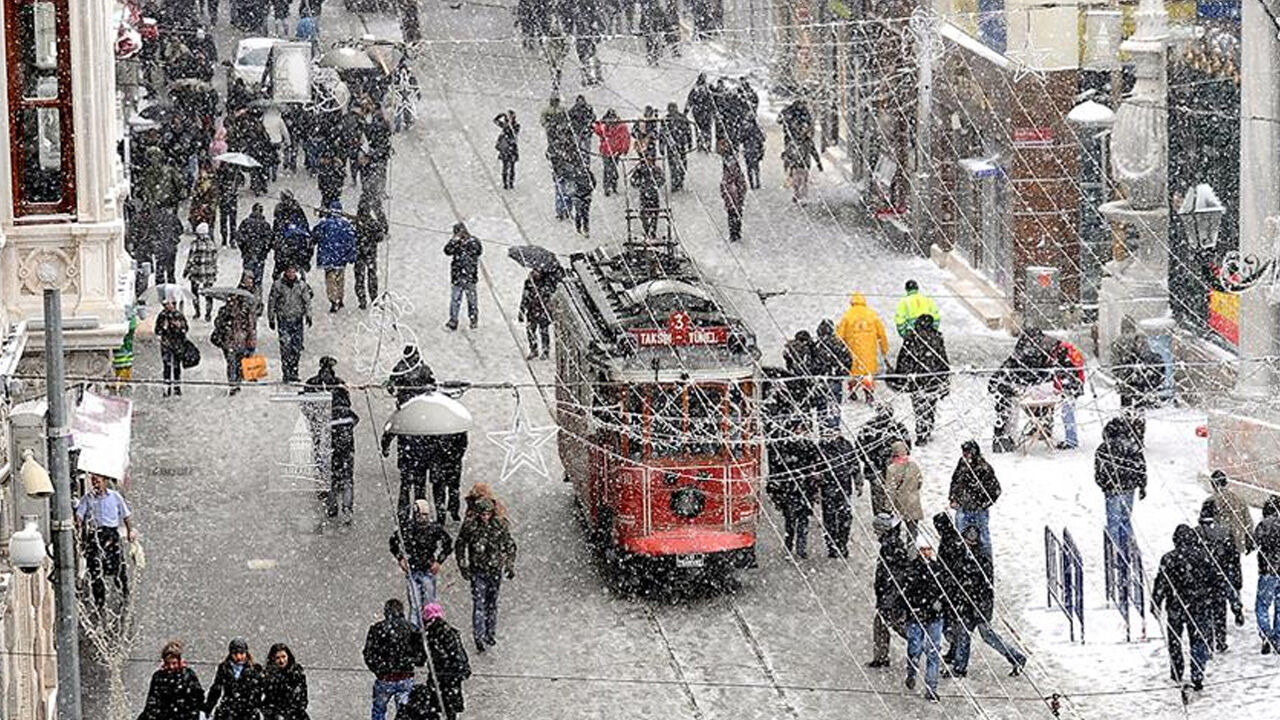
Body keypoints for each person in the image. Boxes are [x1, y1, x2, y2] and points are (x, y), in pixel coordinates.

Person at [946, 523, 1026, 677]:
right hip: (967, 603)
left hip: (979, 604)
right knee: (963, 634)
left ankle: (1016, 657)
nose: (968, 543)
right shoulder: (961, 554)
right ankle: (960, 667)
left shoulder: (981, 557)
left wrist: (980, 602)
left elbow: (985, 584)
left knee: (987, 635)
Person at [1152, 525, 1214, 690]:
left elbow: (1161, 582)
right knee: (1198, 640)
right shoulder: (1204, 556)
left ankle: (1177, 671)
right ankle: (1197, 673)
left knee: (1175, 640)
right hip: (1199, 604)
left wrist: (1156, 602)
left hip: (1176, 605)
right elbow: (1213, 580)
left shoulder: (1169, 558)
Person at [455, 496, 517, 652]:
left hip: (494, 570)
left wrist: (509, 565)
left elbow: (510, 545)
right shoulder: (470, 526)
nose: (485, 517)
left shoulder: (499, 525)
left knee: (491, 604)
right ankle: (479, 636)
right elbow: (460, 545)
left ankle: (490, 633)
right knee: (479, 604)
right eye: (482, 514)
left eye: (488, 514)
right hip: (478, 571)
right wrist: (463, 566)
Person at [75, 473, 137, 607]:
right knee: (95, 568)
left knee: (118, 565)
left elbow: (126, 515)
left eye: (98, 481)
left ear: (104, 481)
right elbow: (79, 516)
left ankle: (124, 593)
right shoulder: (88, 498)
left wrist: (130, 531)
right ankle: (99, 601)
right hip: (95, 535)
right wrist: (78, 525)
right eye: (93, 482)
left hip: (111, 534)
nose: (95, 484)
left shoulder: (115, 496)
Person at [1095, 415, 1146, 577]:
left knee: (1113, 523)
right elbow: (1141, 467)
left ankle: (1116, 553)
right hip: (1129, 489)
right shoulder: (1132, 447)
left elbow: (1099, 472)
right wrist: (1142, 486)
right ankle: (1129, 549)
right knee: (1125, 520)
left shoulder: (1104, 449)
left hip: (1112, 491)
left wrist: (1105, 485)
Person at [391, 499, 454, 627]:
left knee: (429, 605)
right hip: (412, 570)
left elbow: (448, 544)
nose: (423, 518)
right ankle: (415, 631)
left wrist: (439, 561)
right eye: (421, 515)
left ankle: (429, 629)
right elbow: (393, 543)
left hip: (428, 570)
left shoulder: (434, 528)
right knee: (415, 606)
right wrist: (400, 558)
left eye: (426, 515)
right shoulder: (407, 528)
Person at [363, 599, 428, 720]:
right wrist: (411, 662)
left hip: (385, 678)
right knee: (404, 712)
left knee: (378, 710)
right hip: (405, 677)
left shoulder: (377, 629)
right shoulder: (412, 629)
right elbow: (421, 656)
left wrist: (379, 669)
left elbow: (368, 654)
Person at [902, 535, 947, 702]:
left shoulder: (938, 570)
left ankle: (931, 688)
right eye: (923, 550)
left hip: (933, 616)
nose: (926, 553)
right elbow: (906, 593)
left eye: (928, 549)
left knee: (933, 652)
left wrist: (940, 603)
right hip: (917, 615)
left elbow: (946, 591)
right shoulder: (911, 569)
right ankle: (912, 671)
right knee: (915, 648)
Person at [893, 315, 949, 444]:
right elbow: (942, 358)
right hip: (932, 379)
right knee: (930, 405)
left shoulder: (912, 338)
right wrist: (944, 376)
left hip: (916, 379)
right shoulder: (936, 337)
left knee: (918, 406)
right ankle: (927, 427)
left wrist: (900, 376)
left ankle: (921, 432)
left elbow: (903, 358)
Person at [1196, 499, 1243, 653]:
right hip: (1221, 574)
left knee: (1206, 610)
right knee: (1219, 609)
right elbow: (1234, 557)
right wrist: (1237, 577)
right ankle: (1221, 639)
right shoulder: (1225, 531)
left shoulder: (1196, 532)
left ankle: (1209, 640)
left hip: (1204, 578)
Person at [767, 422, 820, 558]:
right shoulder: (783, 446)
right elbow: (776, 469)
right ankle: (789, 546)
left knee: (803, 521)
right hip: (790, 491)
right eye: (797, 430)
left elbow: (816, 464)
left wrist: (814, 484)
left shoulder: (809, 446)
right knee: (790, 522)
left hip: (805, 489)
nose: (800, 433)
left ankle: (801, 548)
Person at [854, 404, 911, 515]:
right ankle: (882, 518)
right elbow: (860, 449)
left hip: (892, 470)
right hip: (876, 469)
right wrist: (874, 459)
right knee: (879, 496)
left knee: (890, 496)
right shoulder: (869, 429)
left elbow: (906, 449)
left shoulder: (898, 428)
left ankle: (890, 517)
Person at [869, 513, 909, 668]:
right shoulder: (890, 544)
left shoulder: (891, 547)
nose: (875, 533)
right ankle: (881, 657)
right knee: (882, 624)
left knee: (897, 626)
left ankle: (927, 646)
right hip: (889, 595)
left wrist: (888, 598)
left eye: (876, 530)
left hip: (891, 596)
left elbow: (896, 575)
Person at [948, 440, 1000, 559]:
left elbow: (995, 490)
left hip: (979, 510)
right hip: (963, 508)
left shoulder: (984, 468)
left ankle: (986, 561)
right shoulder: (962, 464)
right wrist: (953, 498)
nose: (965, 456)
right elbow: (955, 481)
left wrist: (983, 503)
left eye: (967, 453)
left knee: (983, 537)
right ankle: (962, 561)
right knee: (961, 537)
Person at [836, 293, 890, 405]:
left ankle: (852, 390)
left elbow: (839, 336)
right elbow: (882, 334)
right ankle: (868, 392)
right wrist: (884, 350)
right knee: (867, 372)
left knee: (854, 372)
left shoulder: (847, 316)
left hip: (853, 350)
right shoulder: (872, 315)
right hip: (869, 351)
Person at [421, 603, 472, 720]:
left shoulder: (431, 634)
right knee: (450, 709)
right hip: (452, 677)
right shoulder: (450, 631)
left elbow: (427, 657)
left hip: (442, 676)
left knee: (438, 707)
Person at [211, 275, 259, 395]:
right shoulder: (224, 311)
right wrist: (226, 318)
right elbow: (217, 323)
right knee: (231, 363)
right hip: (229, 341)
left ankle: (238, 381)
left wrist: (251, 337)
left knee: (239, 362)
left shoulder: (245, 311)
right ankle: (233, 384)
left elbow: (250, 325)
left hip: (242, 341)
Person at [268, 265, 314, 383]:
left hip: (297, 319)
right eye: (289, 271)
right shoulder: (278, 285)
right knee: (285, 347)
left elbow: (307, 301)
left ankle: (294, 371)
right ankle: (286, 372)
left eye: (293, 272)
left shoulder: (301, 285)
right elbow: (272, 302)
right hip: (283, 319)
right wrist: (271, 317)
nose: (291, 274)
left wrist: (308, 315)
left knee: (296, 347)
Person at [139, 640, 205, 720]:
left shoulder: (188, 675)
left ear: (179, 661)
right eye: (168, 663)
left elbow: (197, 699)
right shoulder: (158, 677)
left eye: (174, 663)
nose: (171, 667)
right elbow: (152, 702)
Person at [382, 419, 432, 524]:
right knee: (420, 488)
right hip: (421, 460)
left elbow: (389, 433)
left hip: (406, 459)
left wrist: (385, 447)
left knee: (405, 487)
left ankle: (403, 516)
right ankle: (420, 514)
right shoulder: (425, 420)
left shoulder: (404, 418)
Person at [816, 425, 855, 558]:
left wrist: (858, 481)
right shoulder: (821, 448)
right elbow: (816, 468)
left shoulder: (846, 445)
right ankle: (832, 545)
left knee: (845, 517)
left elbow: (854, 463)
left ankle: (842, 544)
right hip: (828, 488)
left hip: (844, 487)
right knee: (829, 519)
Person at [1110, 315, 1164, 410]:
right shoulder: (1139, 339)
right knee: (1137, 404)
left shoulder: (1118, 342)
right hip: (1137, 379)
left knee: (1128, 404)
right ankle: (1136, 416)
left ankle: (1129, 416)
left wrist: (1120, 375)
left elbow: (1114, 363)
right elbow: (1147, 356)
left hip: (1129, 379)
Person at [205, 638, 265, 720]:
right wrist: (208, 708)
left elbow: (260, 690)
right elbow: (216, 689)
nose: (239, 657)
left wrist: (257, 706)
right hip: (228, 710)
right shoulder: (224, 667)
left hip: (248, 711)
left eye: (241, 653)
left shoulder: (255, 668)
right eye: (235, 654)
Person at [313, 201, 356, 313]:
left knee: (330, 280)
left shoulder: (324, 224)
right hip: (341, 258)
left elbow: (315, 236)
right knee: (340, 279)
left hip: (327, 257)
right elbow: (351, 241)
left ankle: (333, 300)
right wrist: (351, 256)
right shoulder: (346, 225)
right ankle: (340, 298)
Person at [812, 318, 852, 429]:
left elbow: (811, 363)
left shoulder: (817, 346)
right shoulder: (838, 344)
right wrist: (842, 373)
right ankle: (834, 428)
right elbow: (848, 359)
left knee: (822, 407)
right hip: (835, 380)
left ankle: (823, 429)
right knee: (834, 406)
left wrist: (815, 373)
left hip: (821, 380)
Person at [444, 222, 482, 330]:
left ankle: (473, 319)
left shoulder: (473, 242)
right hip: (457, 276)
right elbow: (447, 251)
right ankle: (453, 320)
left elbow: (478, 251)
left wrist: (465, 245)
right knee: (455, 300)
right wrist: (454, 242)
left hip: (470, 276)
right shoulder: (455, 243)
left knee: (472, 300)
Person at [1209, 470, 1256, 555]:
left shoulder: (1210, 501)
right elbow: (1248, 521)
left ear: (1212, 484)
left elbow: (1206, 525)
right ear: (1226, 482)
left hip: (1219, 545)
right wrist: (1249, 538)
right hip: (1237, 543)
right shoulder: (1238, 499)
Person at [1255, 496, 1280, 654]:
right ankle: (1278, 637)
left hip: (1267, 571)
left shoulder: (1263, 525)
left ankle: (1265, 634)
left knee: (1262, 605)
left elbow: (1254, 542)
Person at [1050, 336, 1085, 449]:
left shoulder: (1062, 352)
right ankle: (1071, 439)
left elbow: (1061, 371)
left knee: (1067, 413)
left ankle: (1071, 441)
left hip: (1070, 386)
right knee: (1067, 412)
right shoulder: (1067, 349)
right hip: (1073, 385)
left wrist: (1060, 385)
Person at [354, 192, 387, 310]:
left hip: (359, 253)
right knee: (372, 276)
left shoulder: (355, 222)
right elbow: (380, 236)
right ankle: (374, 297)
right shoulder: (373, 223)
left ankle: (362, 299)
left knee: (359, 277)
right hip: (370, 253)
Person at [885, 441, 923, 540]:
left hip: (899, 505)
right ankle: (912, 548)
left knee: (894, 533)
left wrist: (888, 507)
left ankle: (897, 547)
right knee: (912, 533)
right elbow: (920, 482)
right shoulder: (914, 466)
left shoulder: (892, 469)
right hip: (913, 504)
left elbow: (891, 490)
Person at [261, 643, 309, 720]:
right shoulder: (269, 676)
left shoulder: (296, 674)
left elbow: (302, 698)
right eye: (278, 658)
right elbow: (267, 699)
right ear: (273, 658)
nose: (281, 661)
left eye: (283, 657)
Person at [183, 222, 219, 321]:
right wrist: (214, 270)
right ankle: (208, 314)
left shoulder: (195, 244)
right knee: (209, 294)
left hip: (197, 272)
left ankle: (197, 312)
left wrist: (186, 270)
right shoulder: (212, 244)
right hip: (209, 273)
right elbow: (215, 258)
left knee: (194, 293)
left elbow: (191, 258)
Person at [156, 296, 190, 396]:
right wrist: (163, 327)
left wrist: (179, 326)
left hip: (177, 344)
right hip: (166, 344)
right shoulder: (162, 315)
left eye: (169, 304)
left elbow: (185, 329)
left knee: (176, 366)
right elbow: (157, 330)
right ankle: (167, 388)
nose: (168, 306)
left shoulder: (178, 315)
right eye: (166, 304)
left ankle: (177, 387)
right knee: (167, 366)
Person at [593, 109, 630, 195]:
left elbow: (625, 138)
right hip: (608, 151)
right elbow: (626, 138)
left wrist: (623, 149)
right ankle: (609, 186)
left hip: (613, 151)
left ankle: (611, 186)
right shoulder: (608, 126)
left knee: (611, 169)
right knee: (609, 169)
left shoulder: (620, 126)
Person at [781, 126, 822, 204]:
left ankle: (798, 195)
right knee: (802, 182)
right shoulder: (807, 142)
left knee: (799, 182)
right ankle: (801, 196)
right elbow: (814, 153)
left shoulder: (795, 142)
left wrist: (787, 165)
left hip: (798, 165)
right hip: (802, 165)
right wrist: (819, 164)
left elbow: (788, 154)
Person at [238, 202, 274, 290]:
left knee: (247, 276)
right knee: (258, 277)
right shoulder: (265, 225)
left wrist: (244, 249)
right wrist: (264, 251)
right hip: (259, 255)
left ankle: (246, 292)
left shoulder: (246, 222)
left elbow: (240, 238)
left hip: (248, 253)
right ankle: (257, 293)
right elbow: (270, 241)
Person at [519, 269, 554, 359]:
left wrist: (542, 293)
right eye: (535, 271)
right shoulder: (529, 282)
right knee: (530, 330)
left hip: (543, 310)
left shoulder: (546, 282)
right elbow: (525, 296)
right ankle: (533, 349)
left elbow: (550, 295)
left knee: (544, 332)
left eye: (538, 272)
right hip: (531, 310)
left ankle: (545, 350)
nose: (536, 273)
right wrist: (522, 310)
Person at [719, 139, 747, 243]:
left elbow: (740, 183)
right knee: (735, 214)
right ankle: (735, 233)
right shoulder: (734, 171)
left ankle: (734, 233)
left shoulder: (730, 172)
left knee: (733, 215)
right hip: (735, 198)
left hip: (734, 197)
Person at [630, 155, 665, 240]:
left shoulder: (655, 169)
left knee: (654, 213)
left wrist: (655, 185)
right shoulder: (640, 170)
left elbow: (662, 179)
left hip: (653, 194)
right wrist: (641, 185)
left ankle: (652, 231)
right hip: (645, 194)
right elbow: (633, 181)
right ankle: (647, 230)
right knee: (644, 213)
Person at [663, 101, 692, 191]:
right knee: (674, 166)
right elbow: (662, 134)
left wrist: (690, 142)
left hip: (680, 144)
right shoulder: (666, 120)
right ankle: (675, 182)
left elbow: (688, 131)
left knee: (681, 164)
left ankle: (679, 180)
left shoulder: (682, 118)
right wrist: (662, 146)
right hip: (672, 146)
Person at [686, 73, 715, 151]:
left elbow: (712, 101)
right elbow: (690, 100)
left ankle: (706, 145)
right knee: (700, 129)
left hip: (705, 113)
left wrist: (714, 111)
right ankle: (701, 144)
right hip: (700, 113)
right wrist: (686, 111)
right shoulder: (696, 89)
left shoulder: (707, 88)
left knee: (706, 129)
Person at [494, 110, 520, 190]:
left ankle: (511, 183)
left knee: (512, 167)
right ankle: (505, 183)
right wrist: (501, 115)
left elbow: (514, 133)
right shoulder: (505, 125)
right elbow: (495, 121)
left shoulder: (515, 126)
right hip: (505, 148)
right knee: (505, 166)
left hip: (511, 148)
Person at [568, 94, 596, 160]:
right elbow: (570, 118)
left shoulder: (588, 108)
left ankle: (586, 159)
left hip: (586, 132)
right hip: (577, 131)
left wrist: (588, 122)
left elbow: (593, 117)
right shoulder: (574, 109)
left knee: (586, 148)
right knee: (578, 147)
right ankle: (579, 159)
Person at [741, 117, 764, 189]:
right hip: (756, 149)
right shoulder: (757, 129)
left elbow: (741, 139)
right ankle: (757, 182)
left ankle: (752, 183)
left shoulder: (745, 129)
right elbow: (762, 138)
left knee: (749, 167)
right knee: (756, 166)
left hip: (748, 150)